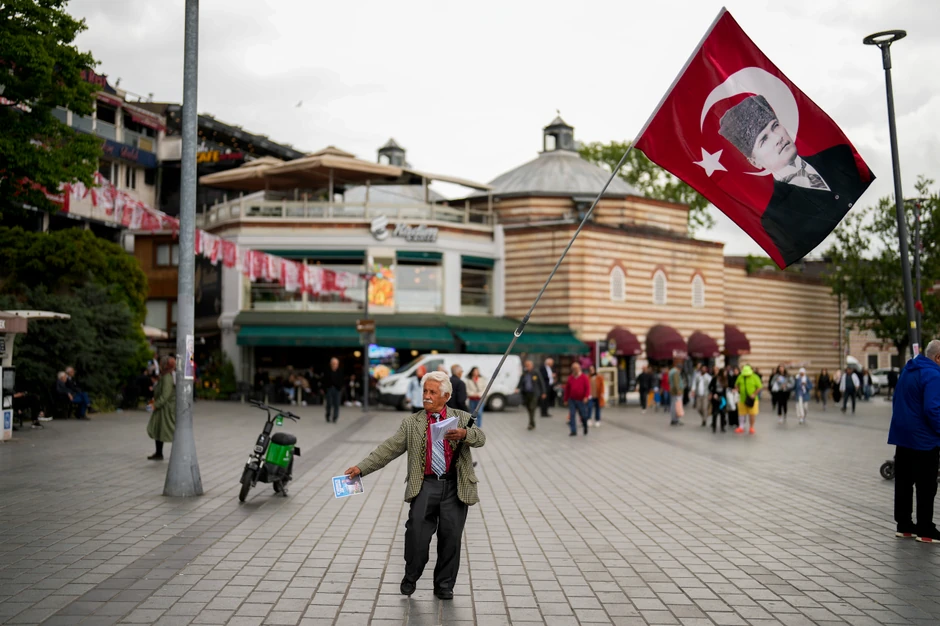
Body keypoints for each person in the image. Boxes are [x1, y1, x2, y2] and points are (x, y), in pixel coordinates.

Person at [343, 371, 485, 599]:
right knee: (416, 536)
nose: (426, 396)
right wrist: (361, 468)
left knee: (450, 539)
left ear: (446, 396)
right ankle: (411, 576)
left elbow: (480, 438)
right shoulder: (412, 422)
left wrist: (465, 434)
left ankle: (444, 585)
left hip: (454, 487)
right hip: (425, 486)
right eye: (425, 391)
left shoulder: (461, 417)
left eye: (432, 392)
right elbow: (389, 448)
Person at [718, 94, 873, 266]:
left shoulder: (838, 155)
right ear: (754, 162)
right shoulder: (774, 218)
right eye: (764, 139)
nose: (778, 138)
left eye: (775, 126)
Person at [887, 339, 940, 543]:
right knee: (926, 485)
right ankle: (926, 530)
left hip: (902, 436)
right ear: (938, 357)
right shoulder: (933, 375)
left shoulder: (908, 370)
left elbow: (897, 400)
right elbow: (933, 409)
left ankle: (904, 526)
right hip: (924, 439)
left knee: (904, 482)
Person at [147, 356, 176, 461]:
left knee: (169, 430)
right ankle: (159, 453)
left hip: (165, 409)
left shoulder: (167, 377)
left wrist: (155, 405)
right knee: (159, 429)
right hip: (162, 408)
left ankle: (176, 453)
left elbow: (165, 395)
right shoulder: (165, 375)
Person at [516, 360, 545, 430]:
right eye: (527, 366)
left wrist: (543, 392)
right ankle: (532, 422)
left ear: (532, 366)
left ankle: (531, 424)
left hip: (534, 393)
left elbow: (541, 382)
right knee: (529, 408)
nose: (528, 367)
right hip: (526, 393)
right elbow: (521, 381)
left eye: (529, 365)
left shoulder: (536, 372)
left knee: (532, 407)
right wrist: (517, 388)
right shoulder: (524, 373)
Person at [564, 363, 591, 436]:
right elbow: (567, 389)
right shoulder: (570, 377)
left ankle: (585, 425)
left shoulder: (584, 377)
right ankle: (573, 431)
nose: (575, 370)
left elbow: (587, 388)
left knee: (583, 415)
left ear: (579, 368)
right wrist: (565, 399)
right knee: (572, 415)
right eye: (573, 369)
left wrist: (586, 397)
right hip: (572, 399)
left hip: (581, 400)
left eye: (576, 368)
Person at [735, 365, 763, 435]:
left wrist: (754, 394)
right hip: (742, 399)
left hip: (753, 399)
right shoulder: (740, 376)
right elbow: (736, 384)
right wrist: (738, 390)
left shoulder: (755, 377)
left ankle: (751, 427)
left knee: (752, 414)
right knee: (741, 413)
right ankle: (741, 427)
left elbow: (759, 387)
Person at [708, 367, 728, 433]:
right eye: (725, 372)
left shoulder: (725, 379)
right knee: (715, 413)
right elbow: (709, 387)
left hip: (722, 398)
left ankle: (722, 427)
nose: (726, 373)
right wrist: (713, 393)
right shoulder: (715, 378)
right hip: (715, 397)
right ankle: (714, 427)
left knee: (723, 413)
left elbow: (725, 389)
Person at [668, 358, 685, 426]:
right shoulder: (675, 372)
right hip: (676, 392)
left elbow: (670, 382)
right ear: (679, 368)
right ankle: (675, 420)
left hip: (672, 390)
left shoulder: (671, 371)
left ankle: (674, 419)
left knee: (673, 405)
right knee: (676, 406)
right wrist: (678, 391)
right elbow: (676, 382)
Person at [325, 358, 343, 423]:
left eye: (336, 364)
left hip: (337, 389)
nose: (335, 365)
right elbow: (324, 380)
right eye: (333, 363)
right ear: (331, 364)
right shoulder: (327, 371)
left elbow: (342, 381)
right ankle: (328, 415)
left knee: (336, 403)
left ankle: (335, 417)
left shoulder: (340, 372)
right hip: (329, 389)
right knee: (329, 403)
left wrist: (340, 387)